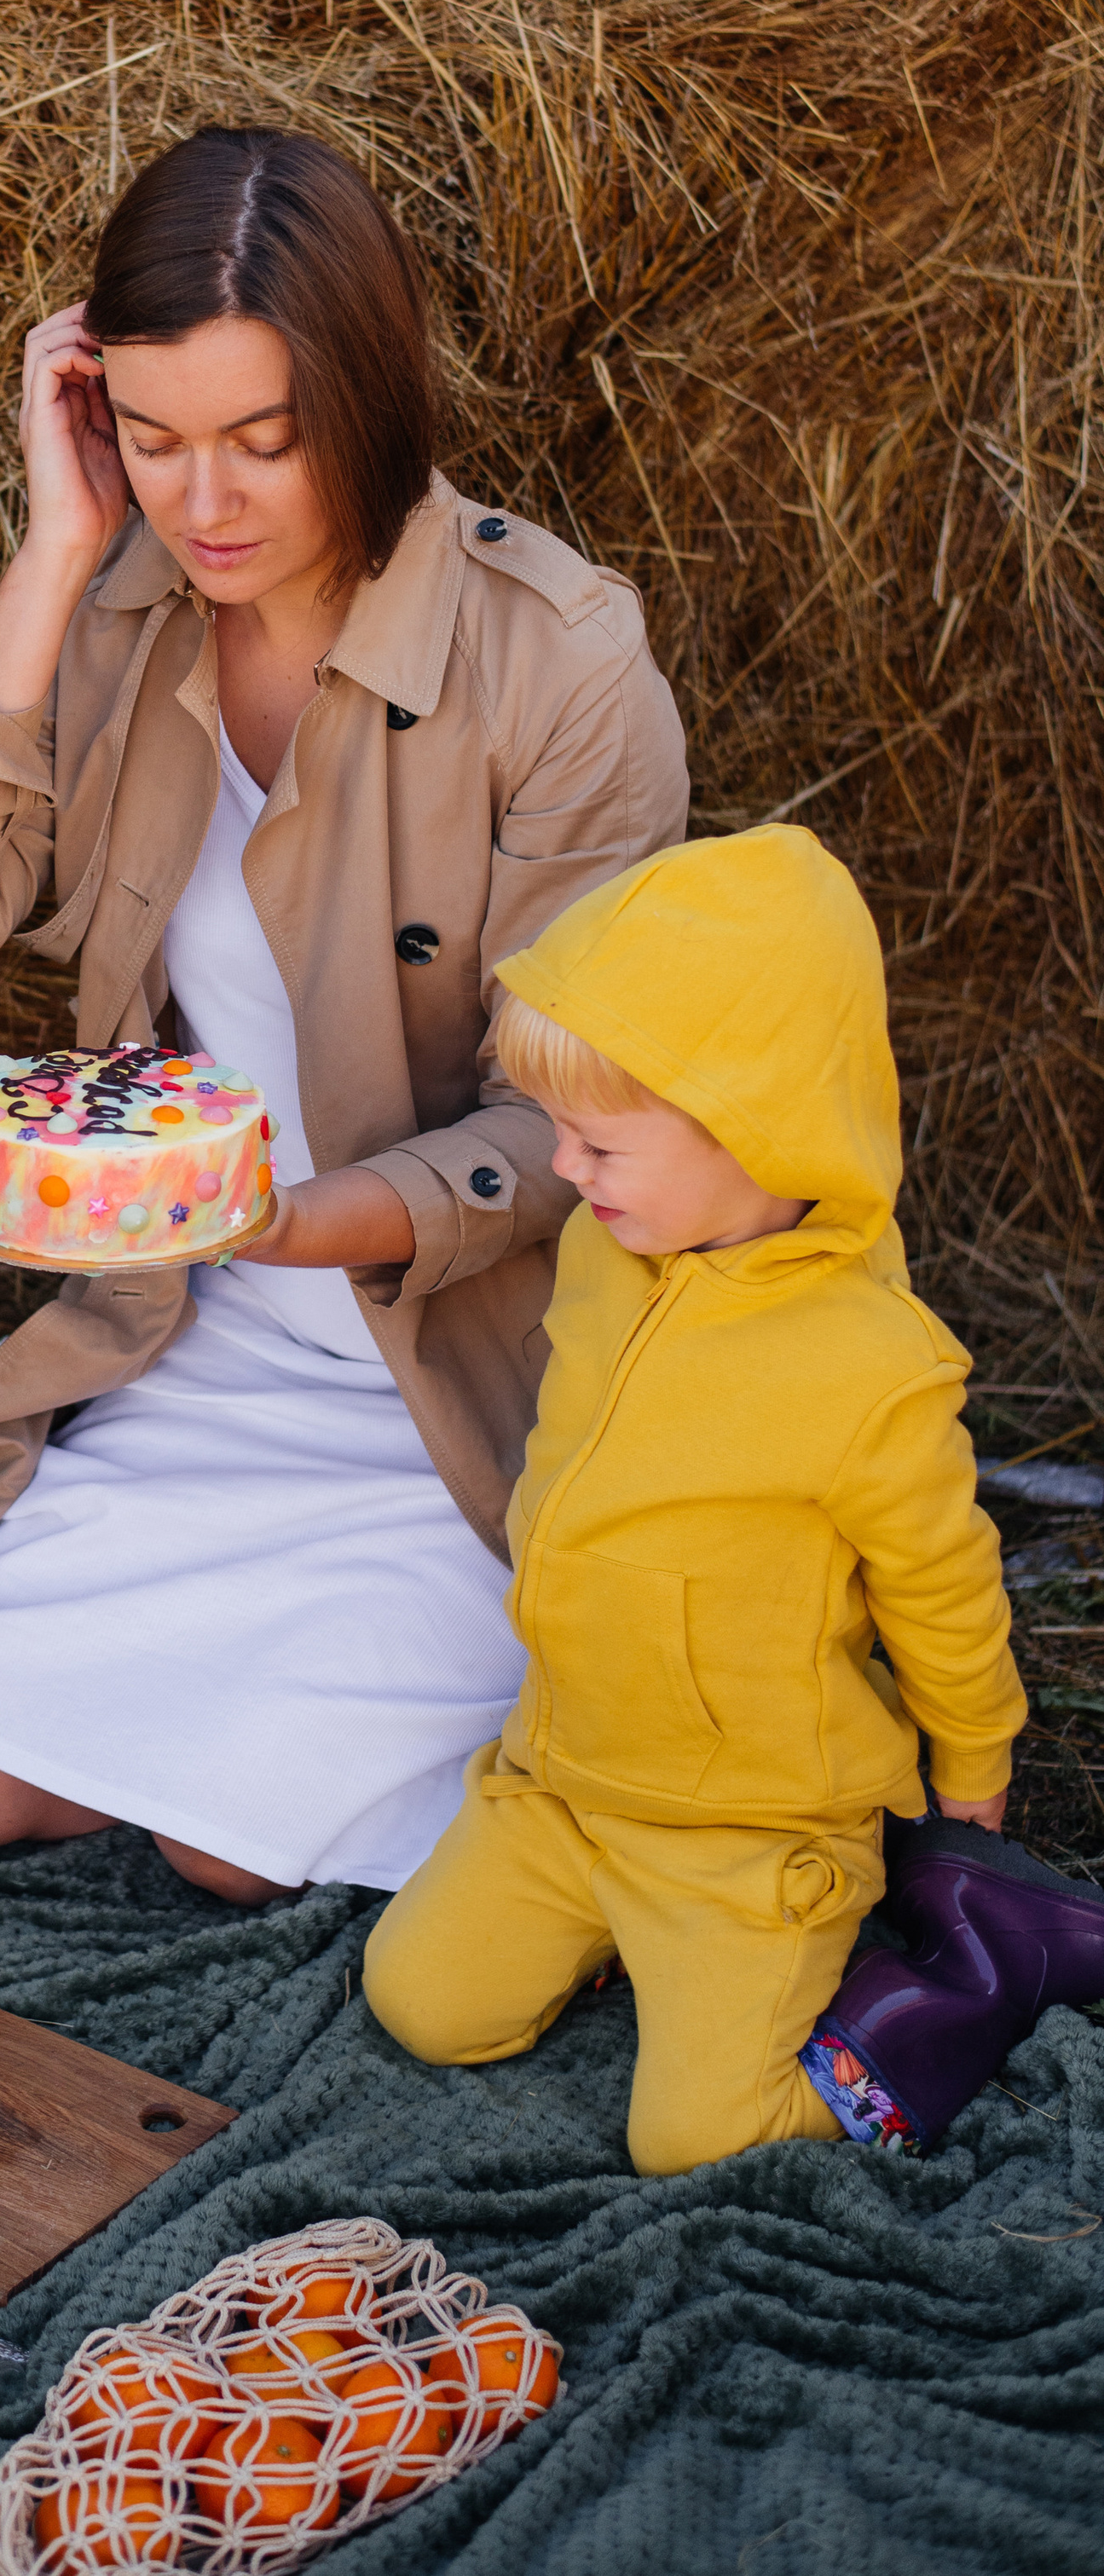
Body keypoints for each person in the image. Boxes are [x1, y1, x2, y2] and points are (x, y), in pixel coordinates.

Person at [0, 124, 689, 1901]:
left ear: (361, 402)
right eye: (150, 439)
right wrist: (56, 557)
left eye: (259, 442)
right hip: (192, 1339)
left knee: (230, 1853)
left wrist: (296, 1221)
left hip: (453, 1368)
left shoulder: (556, 657)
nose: (201, 504)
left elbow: (581, 1119)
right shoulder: (125, 614)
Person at [362, 824, 1029, 2170]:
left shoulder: (870, 1369)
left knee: (699, 2136)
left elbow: (945, 1592)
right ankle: (614, 1945)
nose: (565, 1168)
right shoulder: (617, 1257)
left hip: (747, 1829)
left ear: (761, 1128)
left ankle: (932, 2008)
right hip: (561, 1774)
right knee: (421, 2002)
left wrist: (976, 1772)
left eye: (599, 1144)